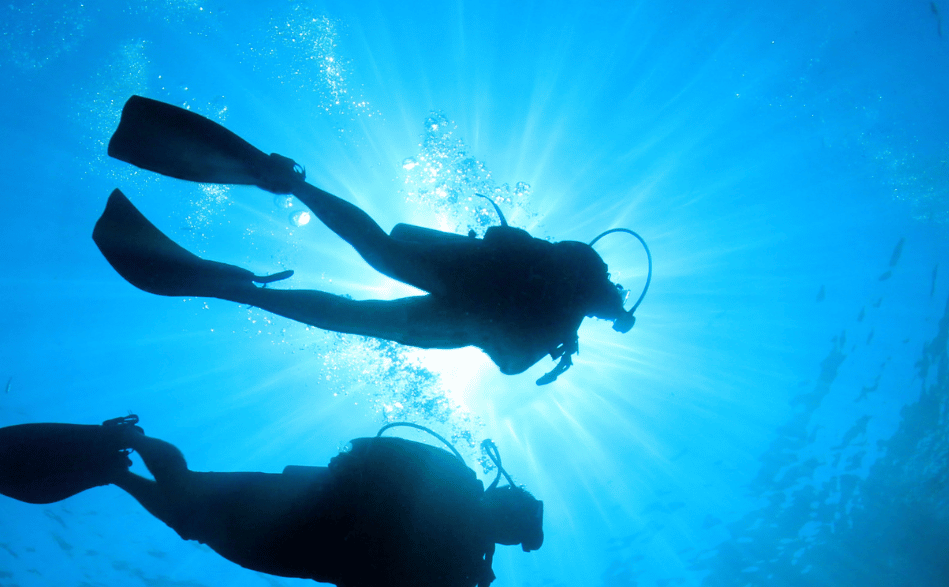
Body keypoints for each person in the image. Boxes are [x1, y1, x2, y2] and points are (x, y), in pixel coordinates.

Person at [91, 95, 651, 384]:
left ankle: (285, 195)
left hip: (462, 295)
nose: (609, 309)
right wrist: (553, 339)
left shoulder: (570, 295)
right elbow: (509, 351)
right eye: (613, 307)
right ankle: (256, 269)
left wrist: (552, 338)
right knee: (362, 291)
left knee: (371, 269)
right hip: (465, 294)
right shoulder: (573, 289)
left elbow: (504, 254)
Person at [0, 416, 543, 587]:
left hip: (295, 527)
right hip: (296, 523)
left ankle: (118, 467)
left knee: (189, 518)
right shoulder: (465, 556)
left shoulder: (466, 561)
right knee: (190, 501)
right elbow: (363, 453)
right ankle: (129, 449)